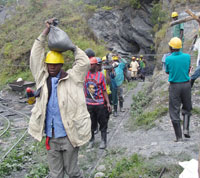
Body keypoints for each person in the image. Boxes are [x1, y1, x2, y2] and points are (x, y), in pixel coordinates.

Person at [28, 19, 91, 178]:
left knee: (72, 172)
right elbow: (35, 57)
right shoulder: (42, 78)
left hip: (69, 135)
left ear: (61, 65)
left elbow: (84, 63)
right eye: (49, 64)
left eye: (55, 65)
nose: (52, 67)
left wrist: (72, 47)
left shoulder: (73, 78)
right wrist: (45, 33)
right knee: (55, 174)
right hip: (51, 136)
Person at [165, 37, 192, 142]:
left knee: (174, 110)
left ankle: (179, 137)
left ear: (171, 47)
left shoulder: (168, 59)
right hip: (186, 85)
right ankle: (186, 129)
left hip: (175, 86)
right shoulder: (187, 56)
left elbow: (167, 71)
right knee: (187, 107)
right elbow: (188, 68)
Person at [84, 57, 111, 149]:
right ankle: (91, 140)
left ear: (96, 65)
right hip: (89, 104)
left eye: (92, 64)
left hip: (99, 104)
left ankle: (103, 141)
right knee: (90, 123)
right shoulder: (85, 75)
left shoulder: (100, 76)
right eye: (89, 64)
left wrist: (107, 103)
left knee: (103, 123)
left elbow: (104, 90)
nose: (90, 66)